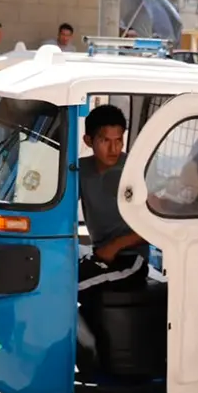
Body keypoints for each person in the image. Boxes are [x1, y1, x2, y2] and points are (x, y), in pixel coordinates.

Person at [77, 105, 148, 294]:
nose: (113, 149)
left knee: (69, 289)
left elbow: (155, 223)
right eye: (105, 140)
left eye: (119, 141)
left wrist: (114, 247)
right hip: (99, 256)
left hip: (131, 260)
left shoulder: (134, 172)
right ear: (88, 140)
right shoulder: (80, 170)